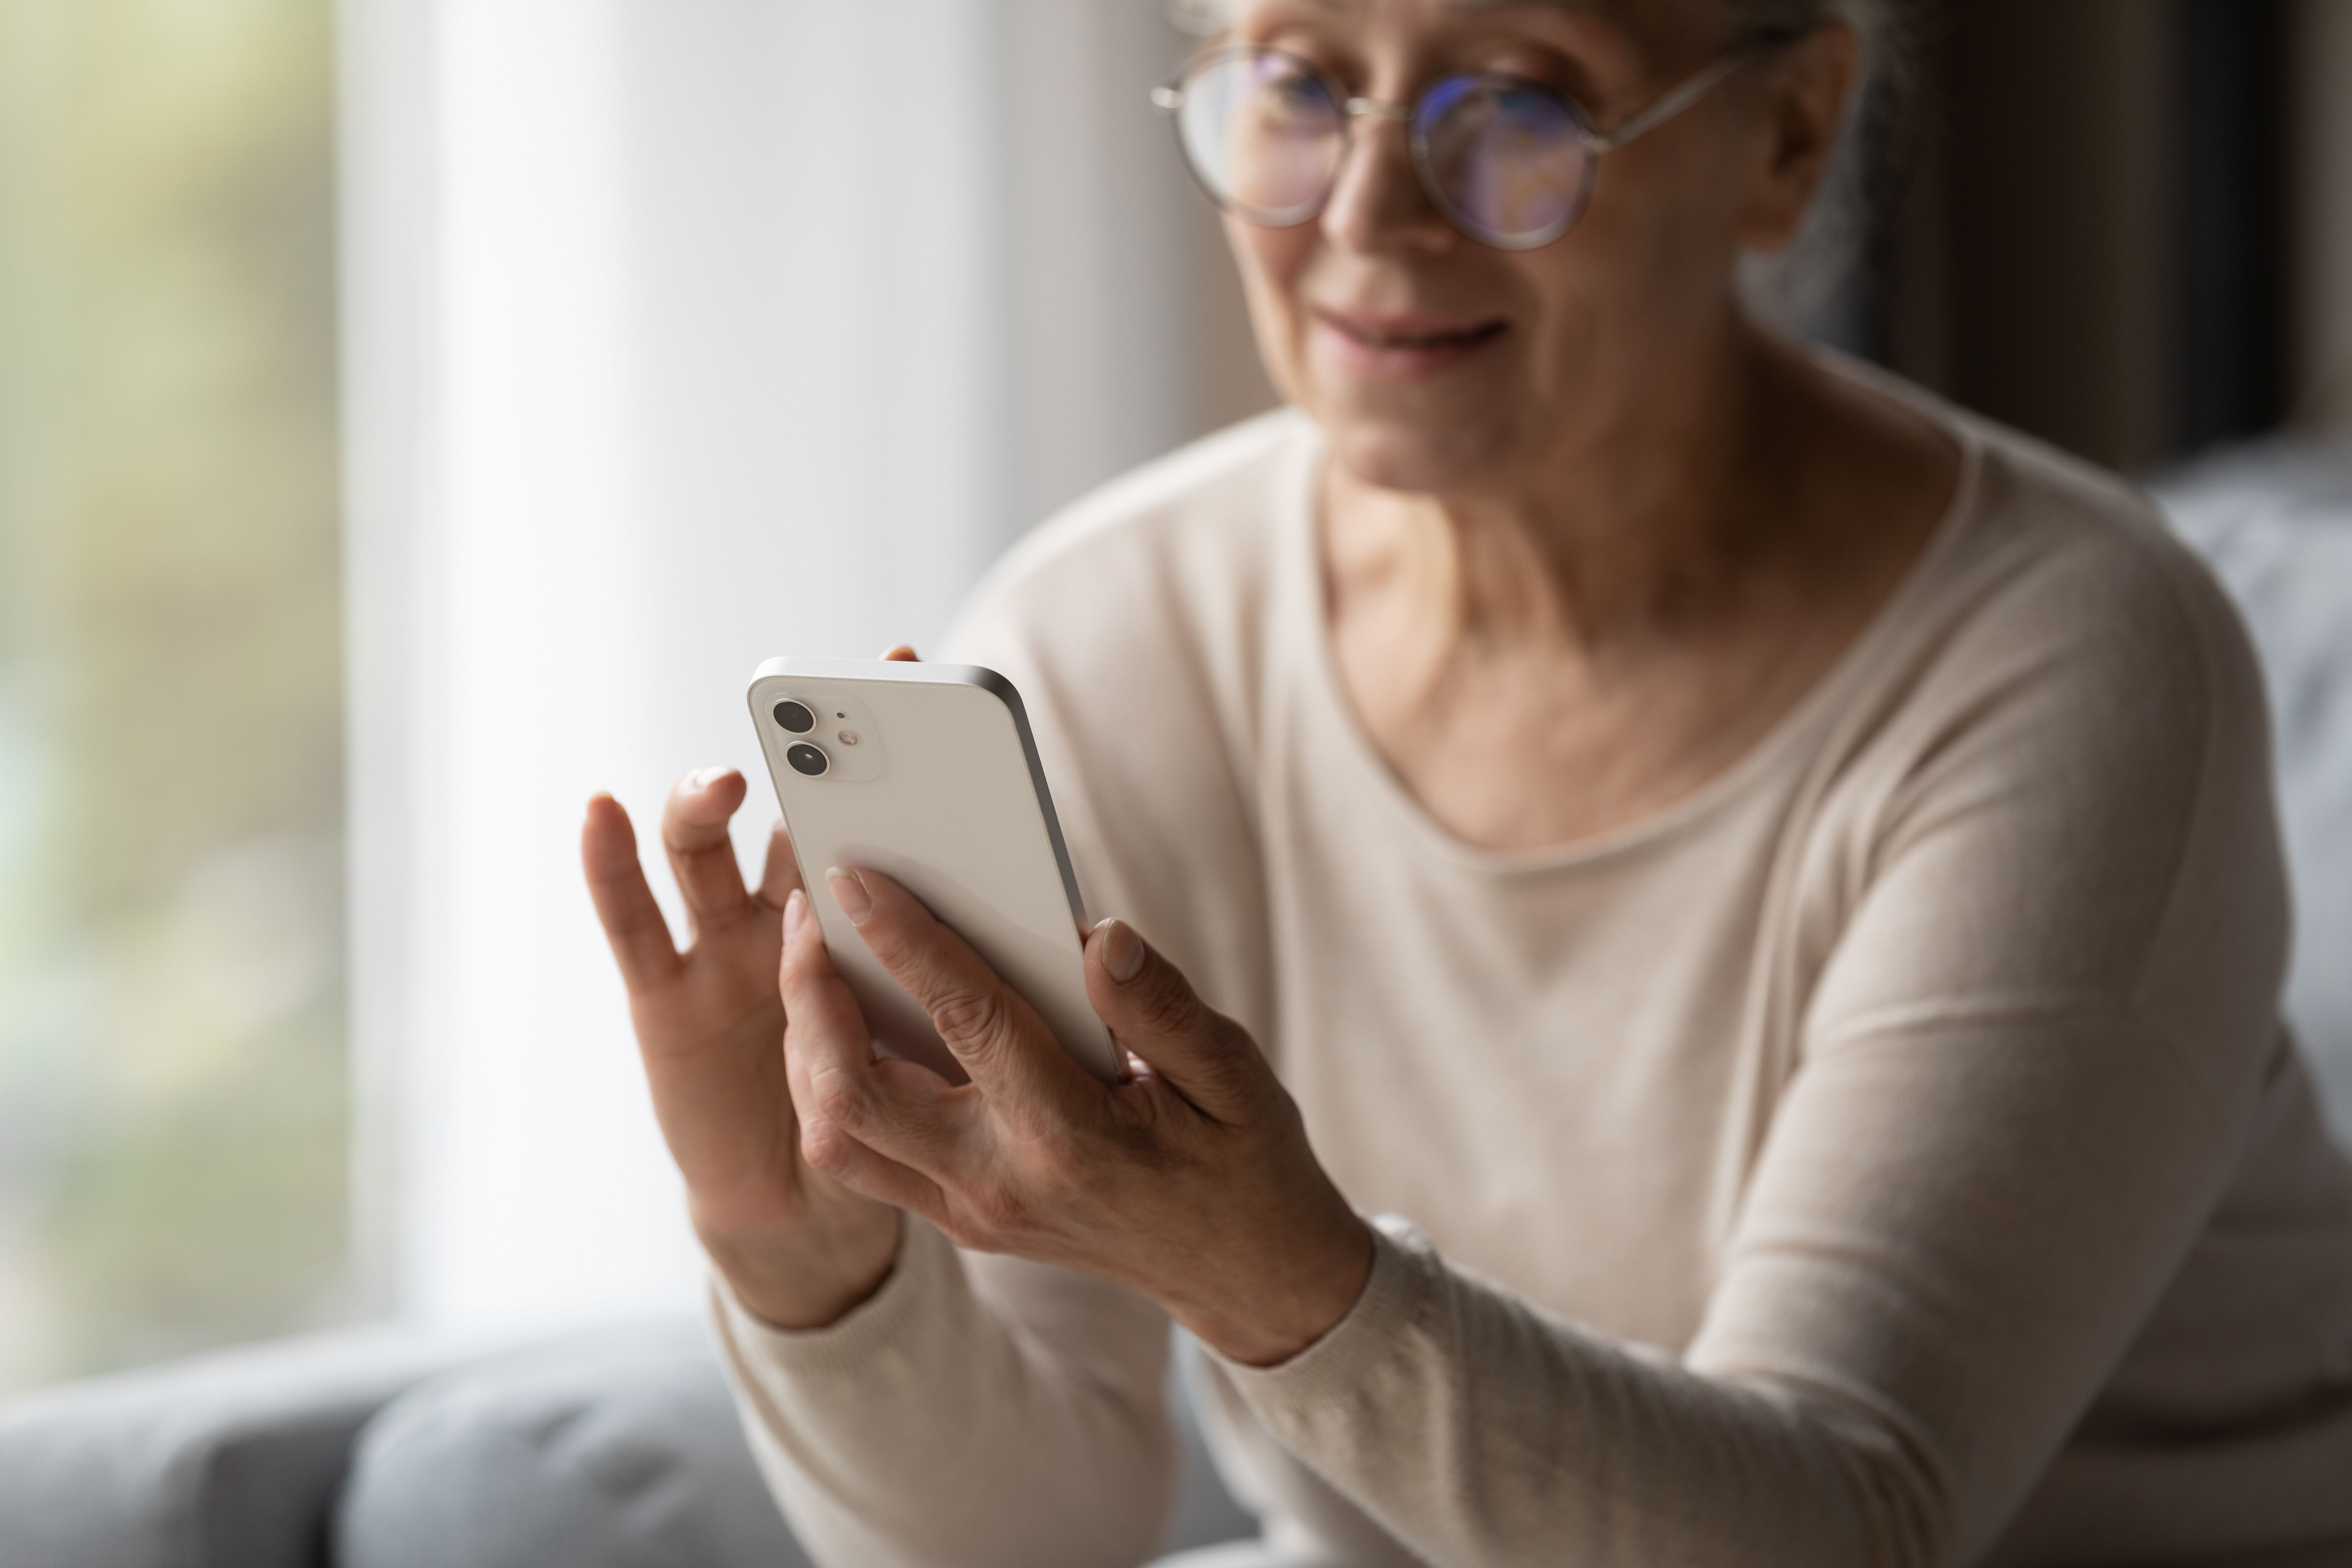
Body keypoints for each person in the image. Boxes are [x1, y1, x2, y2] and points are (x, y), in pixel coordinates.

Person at [581, 0, 2352, 1563]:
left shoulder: (2070, 660)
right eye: (1295, 83)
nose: (1363, 214)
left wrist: (1286, 1282)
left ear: (1786, 135)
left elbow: (1846, 1524)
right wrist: (800, 1250)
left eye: (1514, 102)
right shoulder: (1119, 631)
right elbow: (1036, 1535)